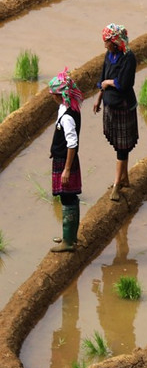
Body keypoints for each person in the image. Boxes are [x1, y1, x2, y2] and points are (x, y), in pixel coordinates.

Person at [93, 23, 138, 201]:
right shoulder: (109, 55)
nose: (104, 45)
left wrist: (109, 83)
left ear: (115, 42)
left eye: (106, 42)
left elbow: (124, 83)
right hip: (110, 105)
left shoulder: (128, 58)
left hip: (123, 106)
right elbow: (103, 77)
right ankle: (124, 178)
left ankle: (116, 185)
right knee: (119, 145)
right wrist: (99, 97)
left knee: (122, 146)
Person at [48, 68, 84, 252]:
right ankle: (70, 236)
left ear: (59, 95)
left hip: (65, 162)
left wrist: (67, 169)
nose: (52, 97)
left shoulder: (68, 116)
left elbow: (72, 143)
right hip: (62, 158)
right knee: (70, 197)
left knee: (67, 198)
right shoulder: (67, 108)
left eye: (53, 94)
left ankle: (68, 242)